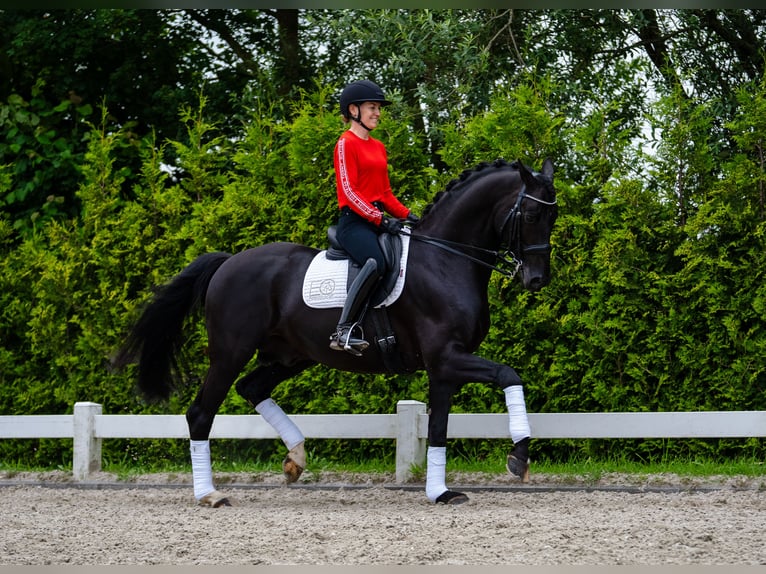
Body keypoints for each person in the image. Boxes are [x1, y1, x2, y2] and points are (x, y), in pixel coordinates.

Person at [329, 80, 419, 356]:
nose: (378, 112)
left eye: (379, 108)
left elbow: (385, 193)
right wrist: (379, 219)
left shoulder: (378, 147)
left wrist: (409, 216)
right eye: (372, 107)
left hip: (377, 219)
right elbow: (348, 191)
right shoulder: (345, 143)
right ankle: (343, 330)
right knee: (375, 262)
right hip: (354, 223)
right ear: (354, 110)